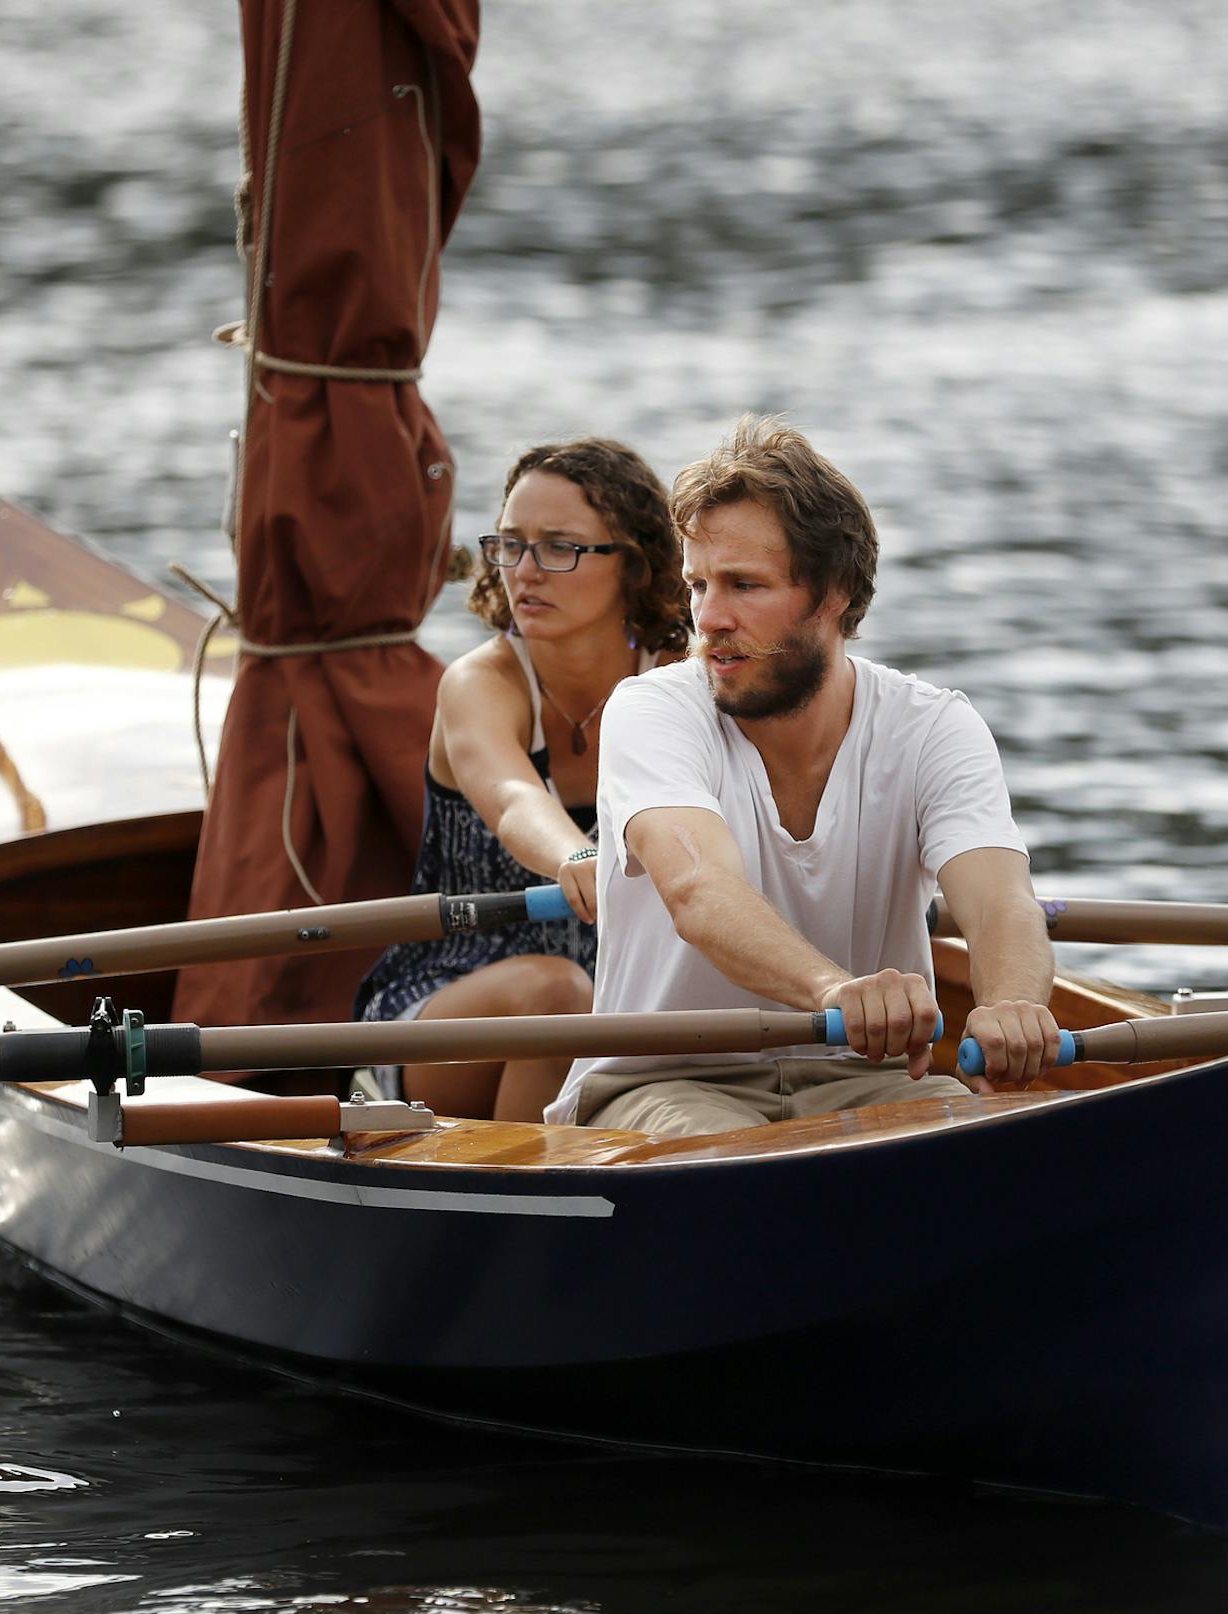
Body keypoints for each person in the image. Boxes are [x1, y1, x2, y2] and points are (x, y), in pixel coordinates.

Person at [543, 415, 1059, 1135]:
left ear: (834, 594)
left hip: (862, 1077)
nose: (709, 618)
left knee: (992, 1144)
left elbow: (1001, 901)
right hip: (662, 1080)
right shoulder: (651, 711)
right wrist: (835, 991)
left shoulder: (935, 726)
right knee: (740, 1165)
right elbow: (698, 889)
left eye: (744, 585)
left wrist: (1012, 1005)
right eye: (698, 586)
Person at [354, 438, 689, 1120]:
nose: (525, 571)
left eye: (558, 547)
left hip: (627, 1005)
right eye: (509, 544)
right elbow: (512, 797)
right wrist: (577, 855)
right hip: (455, 1000)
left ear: (633, 565)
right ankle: (526, 1208)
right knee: (558, 993)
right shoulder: (481, 683)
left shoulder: (681, 679)